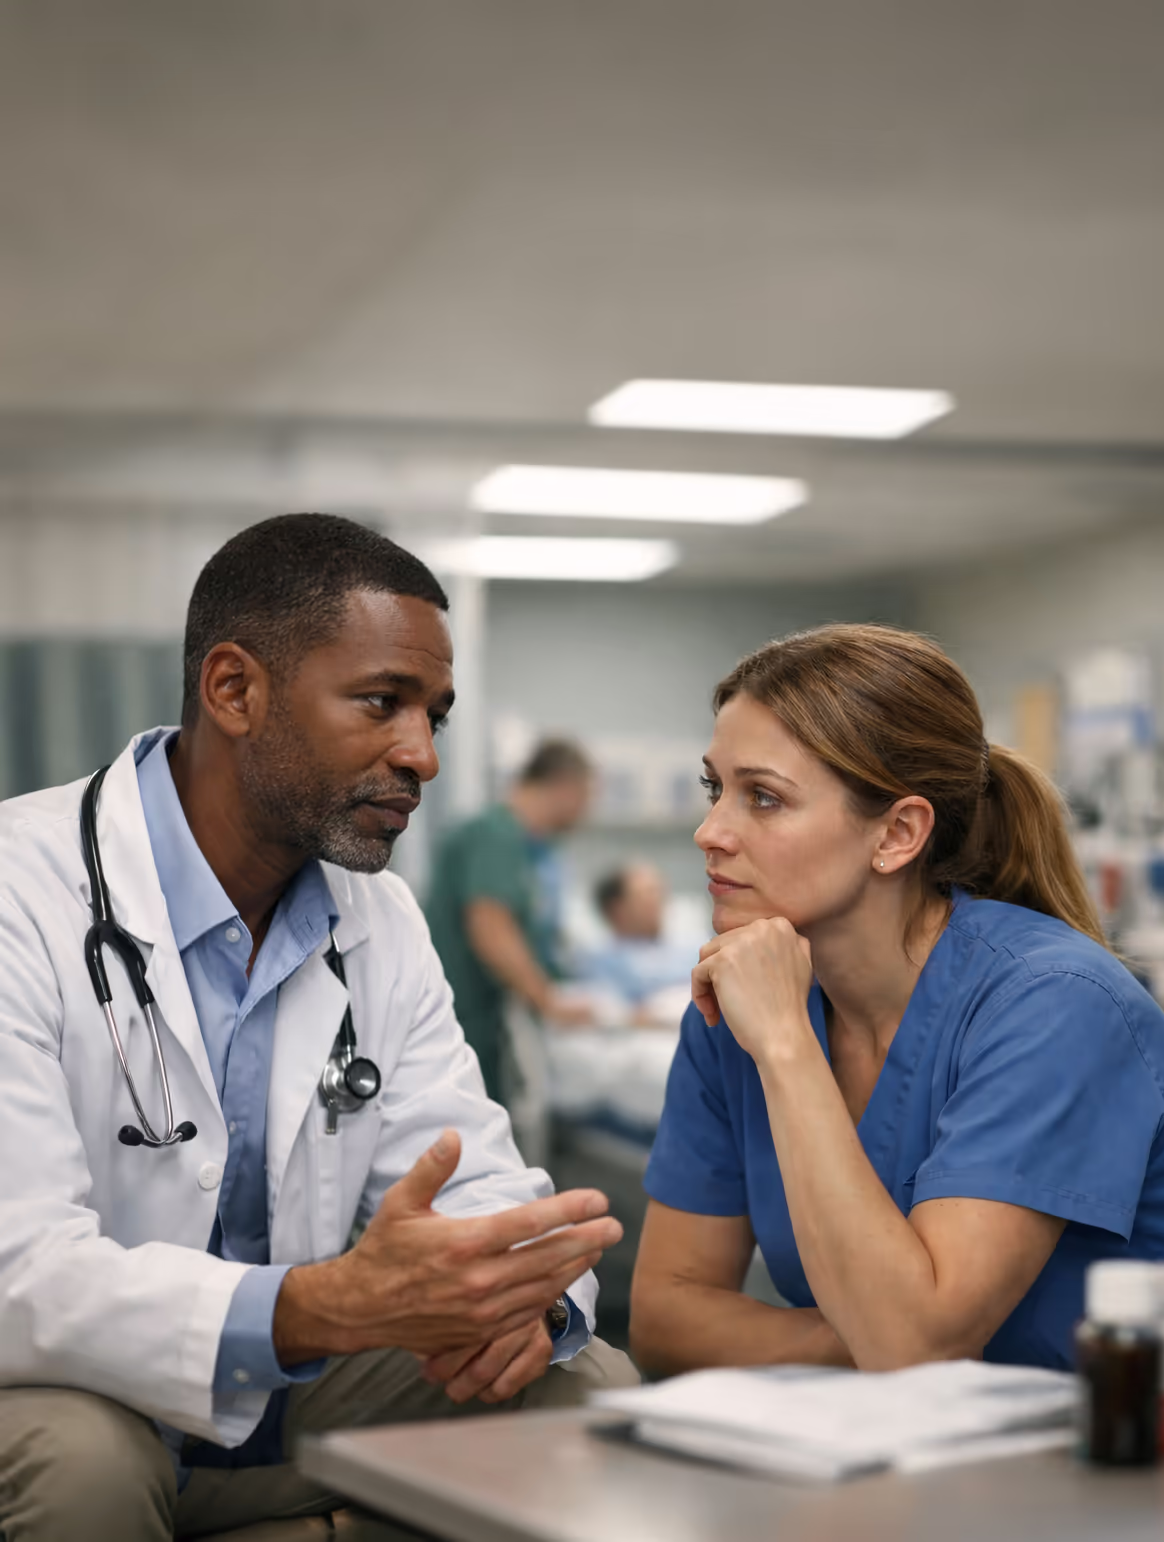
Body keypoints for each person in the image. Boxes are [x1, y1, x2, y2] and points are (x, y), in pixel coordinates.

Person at [0, 513, 633, 1542]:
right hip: (59, 1381)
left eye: (434, 715)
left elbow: (474, 1180)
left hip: (288, 1395)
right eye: (383, 701)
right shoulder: (20, 889)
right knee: (88, 1466)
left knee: (586, 1390)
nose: (422, 755)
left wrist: (528, 1302)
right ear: (234, 690)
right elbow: (18, 1268)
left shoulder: (376, 918)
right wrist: (319, 1307)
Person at [630, 623, 1164, 1378]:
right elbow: (664, 1320)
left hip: (1105, 1441)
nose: (709, 832)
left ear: (898, 834)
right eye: (716, 789)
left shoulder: (1054, 1004)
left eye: (764, 798)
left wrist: (785, 1047)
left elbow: (915, 1348)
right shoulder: (738, 1006)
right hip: (889, 1438)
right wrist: (858, 1334)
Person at [427, 739, 596, 1101]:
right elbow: (491, 928)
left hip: (481, 1022)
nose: (586, 811)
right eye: (586, 797)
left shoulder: (523, 847)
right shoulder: (496, 836)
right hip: (460, 1019)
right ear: (565, 787)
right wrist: (548, 1002)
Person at [578, 863, 702, 1014]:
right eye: (647, 894)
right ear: (616, 908)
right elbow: (613, 1011)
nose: (658, 901)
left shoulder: (693, 947)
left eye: (659, 892)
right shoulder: (600, 960)